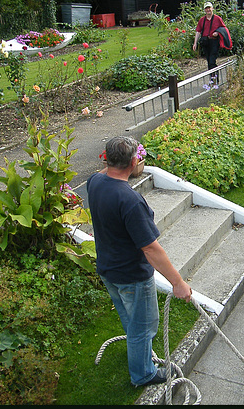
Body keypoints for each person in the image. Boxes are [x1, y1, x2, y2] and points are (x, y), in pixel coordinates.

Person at [86, 136, 192, 387]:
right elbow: (150, 248)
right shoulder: (131, 201)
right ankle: (143, 374)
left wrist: (117, 157)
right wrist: (178, 283)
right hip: (132, 276)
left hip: (107, 270)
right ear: (134, 161)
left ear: (106, 158)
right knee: (142, 328)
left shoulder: (94, 182)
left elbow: (108, 171)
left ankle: (139, 356)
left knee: (131, 322)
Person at [193, 2, 227, 70]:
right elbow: (198, 31)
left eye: (209, 8)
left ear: (212, 8)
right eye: (206, 8)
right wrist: (195, 43)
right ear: (204, 10)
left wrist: (217, 33)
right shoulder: (202, 20)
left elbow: (224, 29)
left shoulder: (218, 19)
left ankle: (214, 78)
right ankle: (212, 78)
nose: (208, 9)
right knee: (209, 61)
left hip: (214, 41)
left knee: (212, 60)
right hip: (205, 42)